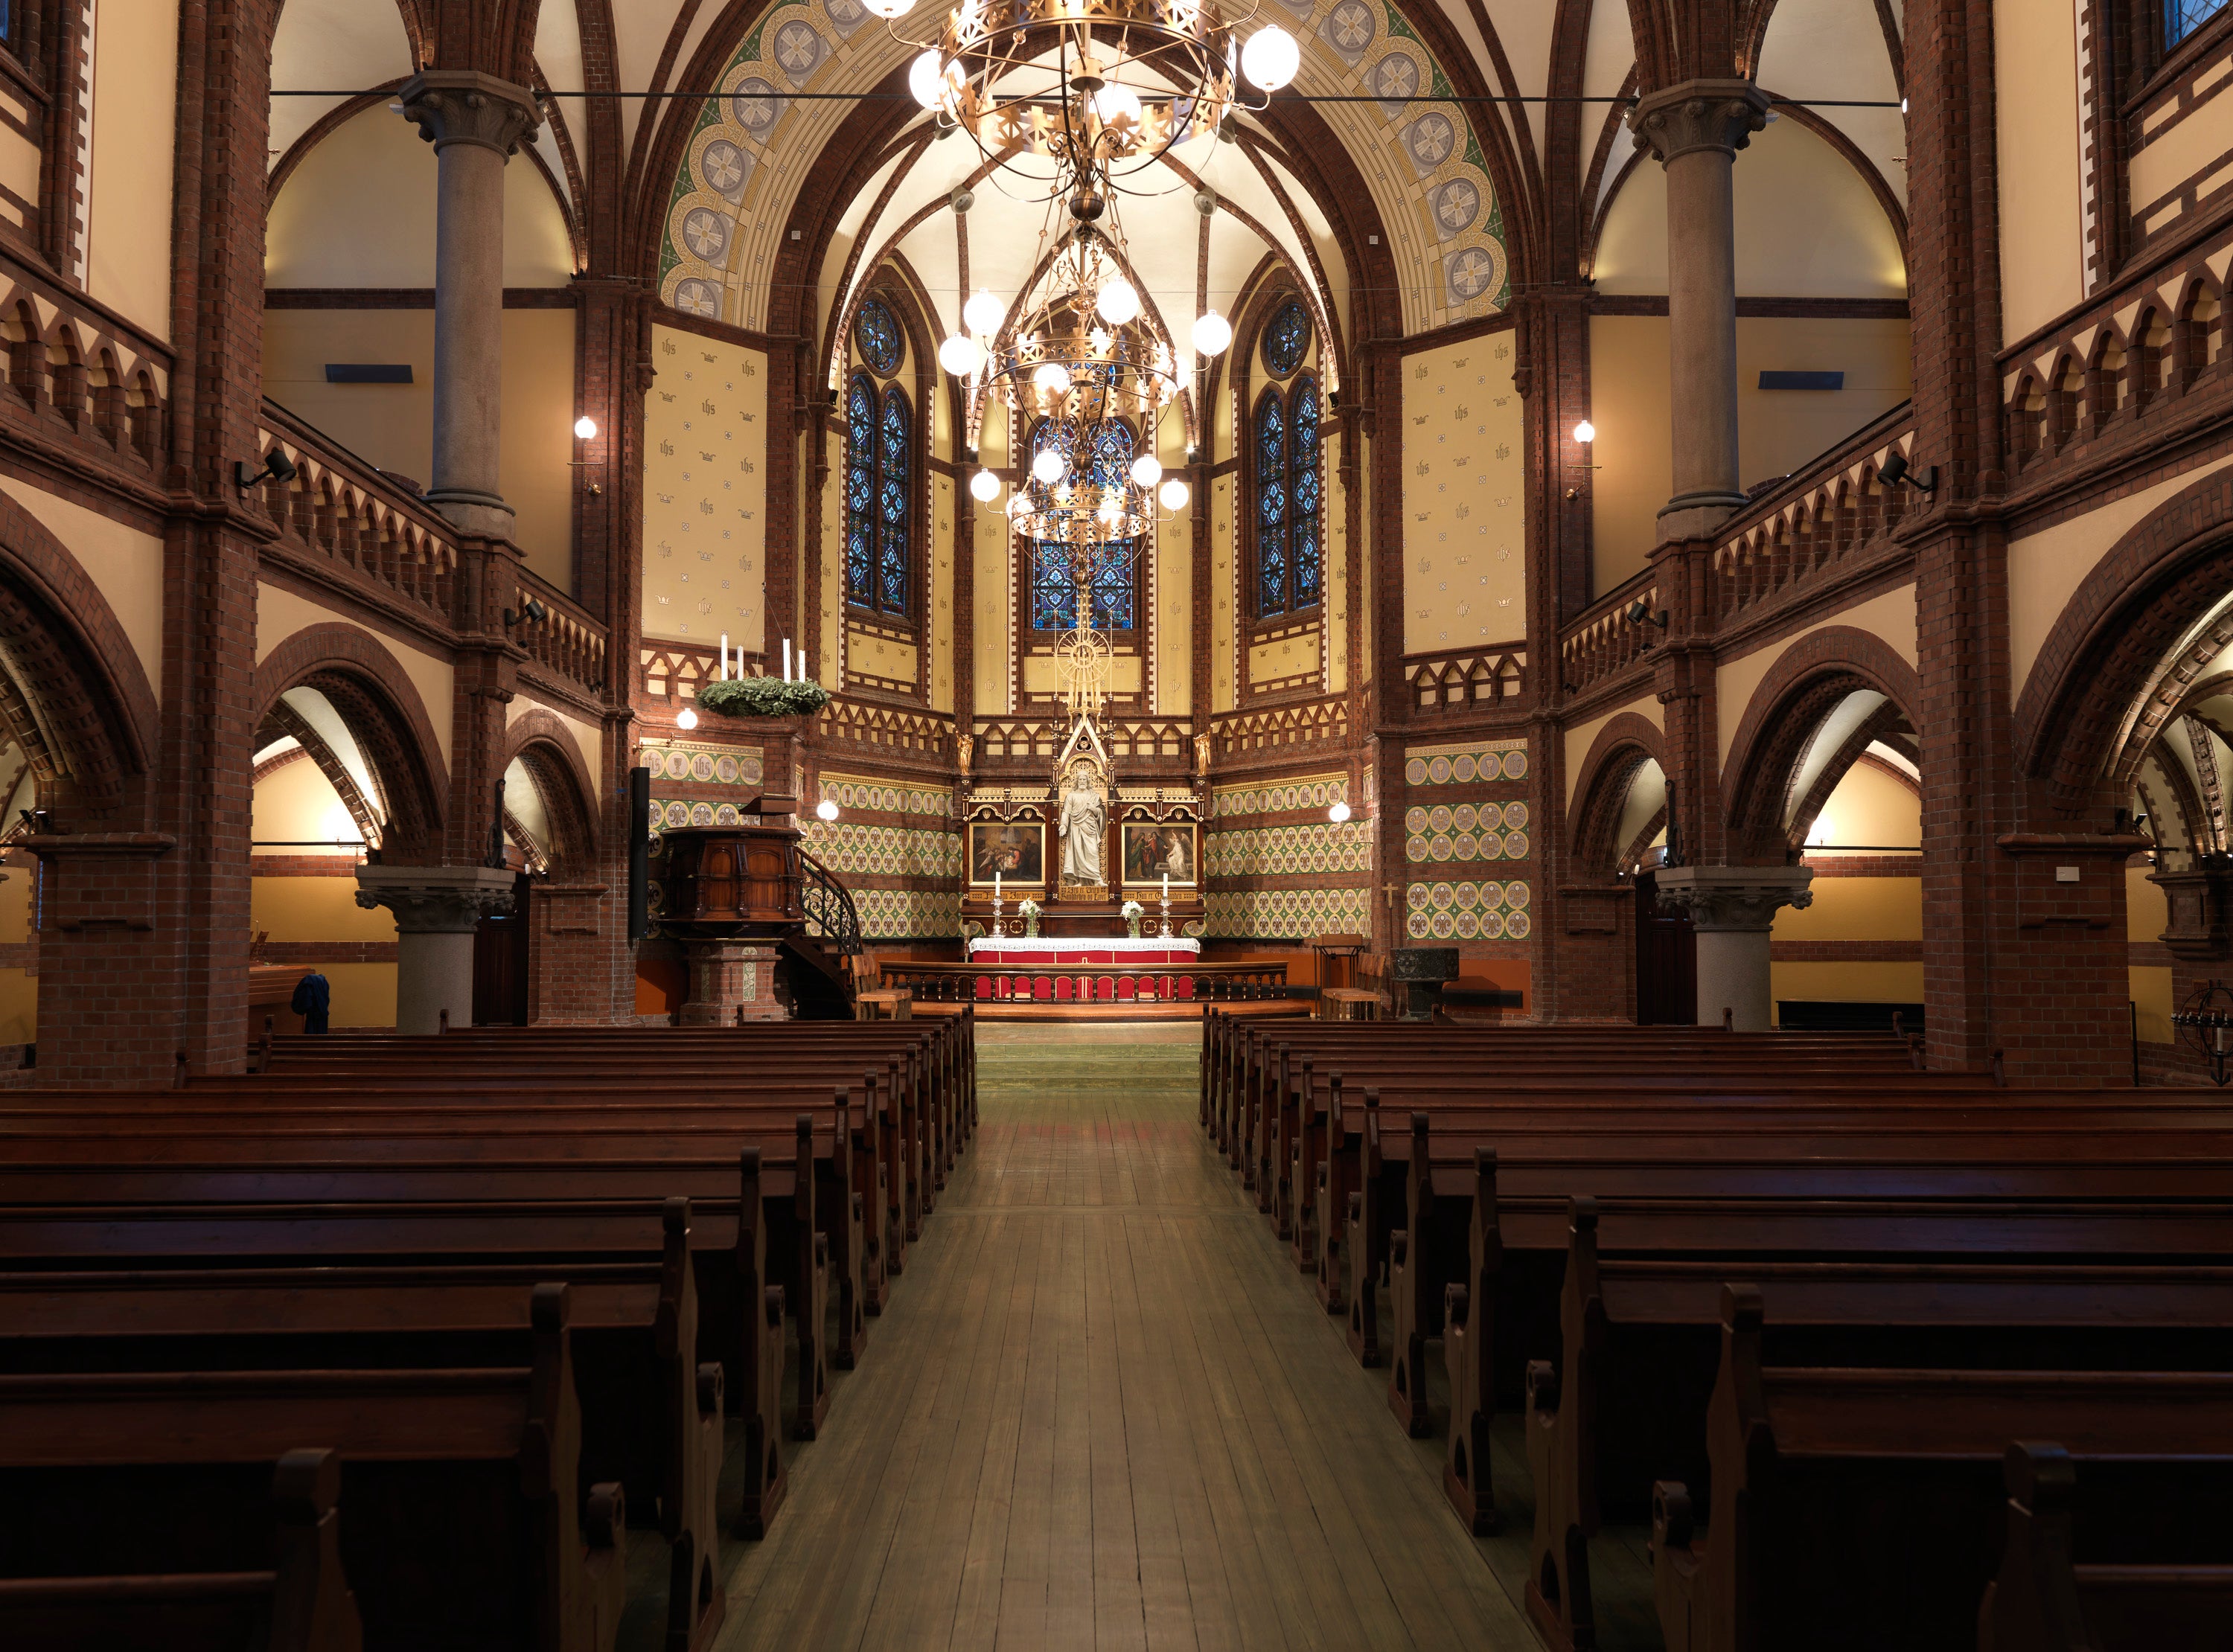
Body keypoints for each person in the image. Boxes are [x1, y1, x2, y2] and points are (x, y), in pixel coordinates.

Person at [290, 969, 331, 1035]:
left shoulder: (308, 982)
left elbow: (305, 1004)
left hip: (312, 1016)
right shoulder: (320, 982)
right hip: (321, 1015)